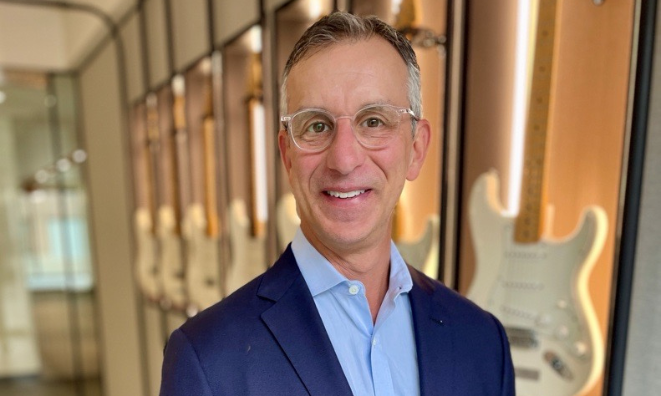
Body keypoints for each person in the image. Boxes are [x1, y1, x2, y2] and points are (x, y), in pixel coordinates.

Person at [160, 12, 514, 396]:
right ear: (287, 156)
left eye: (374, 121)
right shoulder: (208, 360)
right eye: (316, 125)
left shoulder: (483, 341)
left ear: (416, 148)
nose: (344, 160)